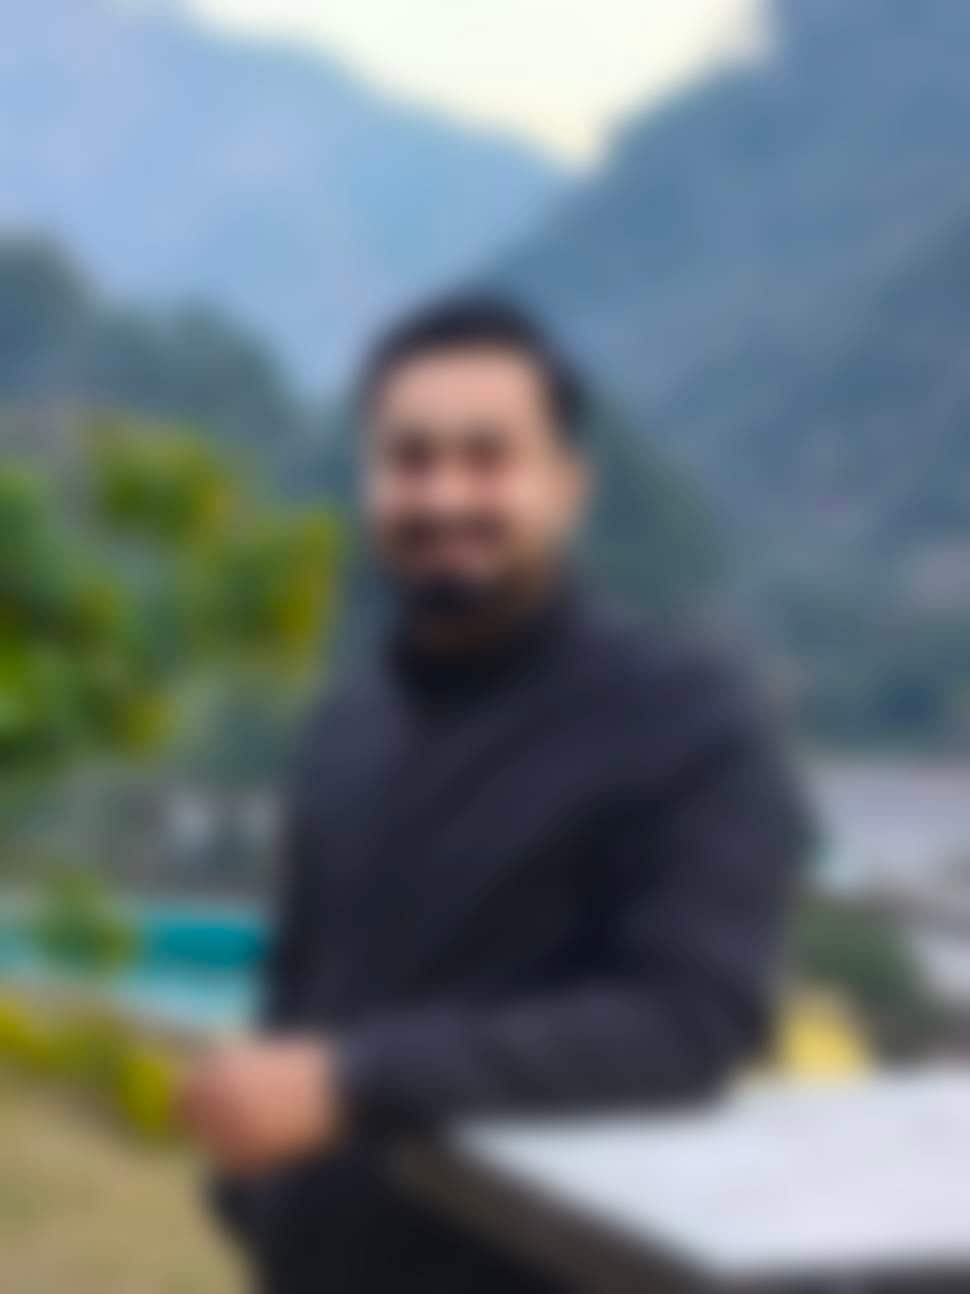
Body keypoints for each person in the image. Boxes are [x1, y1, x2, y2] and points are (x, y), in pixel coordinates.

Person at [181, 297, 809, 1292]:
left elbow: (689, 1022)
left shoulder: (687, 725)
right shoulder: (347, 729)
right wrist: (252, 1192)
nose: (444, 495)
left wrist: (353, 1081)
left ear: (568, 484)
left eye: (488, 457)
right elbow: (299, 999)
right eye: (410, 459)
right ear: (369, 480)